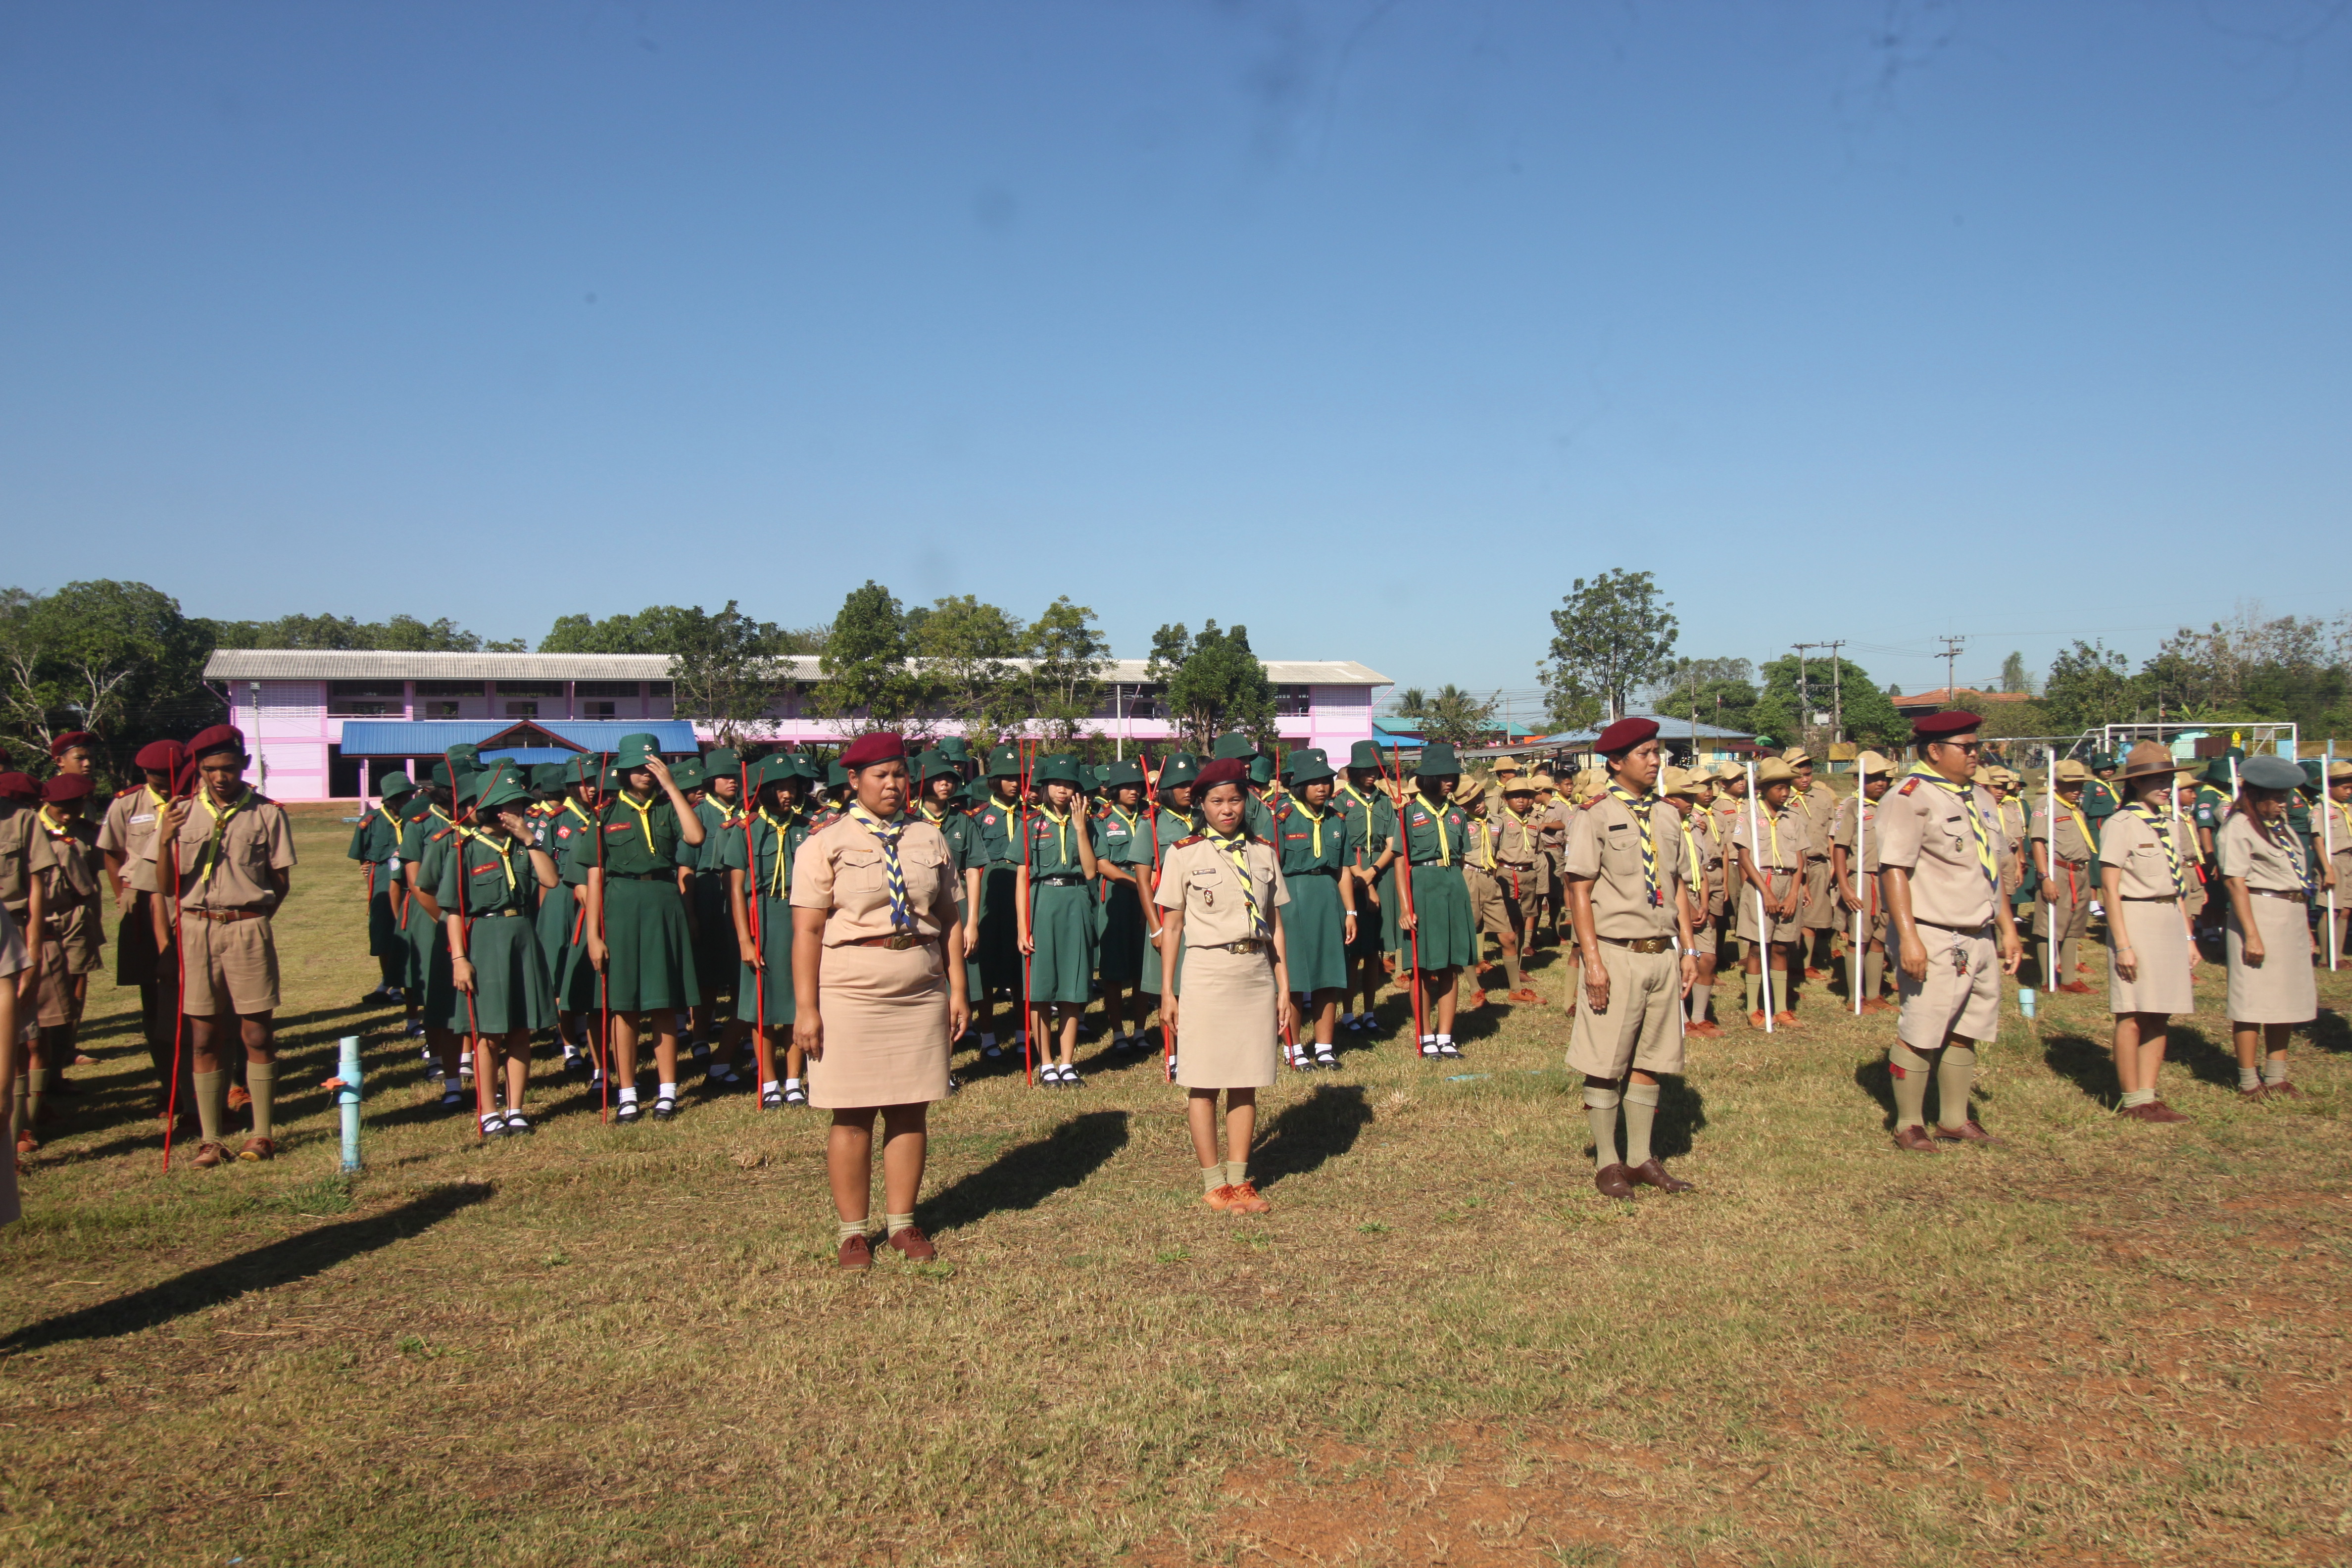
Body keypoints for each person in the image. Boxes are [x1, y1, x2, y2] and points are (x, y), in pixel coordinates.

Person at [790, 732, 970, 1269]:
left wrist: (958, 989)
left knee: (911, 1108)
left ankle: (902, 1223)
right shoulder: (825, 843)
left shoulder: (929, 838)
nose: (892, 785)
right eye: (880, 776)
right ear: (854, 780)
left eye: (899, 774)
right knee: (852, 1114)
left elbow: (950, 919)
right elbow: (807, 932)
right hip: (851, 989)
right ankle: (853, 1232)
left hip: (919, 985)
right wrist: (806, 1008)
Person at [1875, 711, 2023, 1152]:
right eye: (1967, 747)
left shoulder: (1980, 797)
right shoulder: (1910, 797)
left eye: (1978, 746)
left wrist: (2008, 928)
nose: (1976, 754)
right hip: (1934, 930)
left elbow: (1990, 869)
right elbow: (1894, 869)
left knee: (1968, 1025)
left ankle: (1954, 1119)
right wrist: (1910, 937)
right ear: (1935, 751)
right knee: (1923, 1026)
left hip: (1979, 930)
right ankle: (1909, 1123)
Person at [1155, 756, 1297, 1214]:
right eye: (1216, 801)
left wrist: (1283, 986)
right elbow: (1172, 926)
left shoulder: (1263, 852)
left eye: (1235, 800)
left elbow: (1275, 924)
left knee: (1247, 1078)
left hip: (1254, 973)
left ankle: (1240, 1179)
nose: (1227, 809)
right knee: (1203, 1079)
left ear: (1246, 802)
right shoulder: (1184, 854)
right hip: (1207, 972)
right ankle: (1213, 1182)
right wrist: (1168, 991)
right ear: (1202, 805)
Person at [151, 725, 297, 1166]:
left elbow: (280, 881)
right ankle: (211, 1138)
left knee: (257, 1032)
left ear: (244, 766)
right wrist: (165, 837)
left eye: (229, 768)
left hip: (247, 928)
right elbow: (165, 886)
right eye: (210, 769)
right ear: (199, 769)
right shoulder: (179, 813)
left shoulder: (267, 813)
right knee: (203, 1036)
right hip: (196, 929)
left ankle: (262, 1134)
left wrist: (251, 919)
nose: (220, 778)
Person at [1566, 718, 1698, 1199]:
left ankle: (1641, 1157)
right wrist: (1593, 961)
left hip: (1661, 953)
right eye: (1645, 754)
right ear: (1616, 762)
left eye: (1657, 752)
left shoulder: (1667, 815)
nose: (1655, 761)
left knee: (1651, 1058)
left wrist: (1688, 948)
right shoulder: (1595, 816)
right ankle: (1608, 1162)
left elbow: (1676, 885)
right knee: (1605, 1059)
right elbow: (1579, 889)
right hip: (1616, 953)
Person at [584, 735, 705, 1123]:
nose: (645, 774)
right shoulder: (605, 815)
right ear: (623, 772)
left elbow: (695, 837)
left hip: (663, 903)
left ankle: (668, 1091)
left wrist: (672, 786)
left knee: (664, 1002)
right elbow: (594, 876)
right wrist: (593, 935)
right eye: (637, 768)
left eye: (652, 767)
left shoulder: (669, 807)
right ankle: (628, 1093)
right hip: (621, 906)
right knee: (624, 1007)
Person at [443, 774, 560, 1136]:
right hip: (486, 938)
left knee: (521, 1029)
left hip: (522, 934)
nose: (518, 811)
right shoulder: (465, 848)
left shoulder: (525, 844)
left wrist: (530, 839)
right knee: (490, 1032)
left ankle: (516, 1108)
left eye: (520, 805)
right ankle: (489, 1110)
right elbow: (454, 910)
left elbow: (551, 880)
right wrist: (459, 959)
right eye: (512, 805)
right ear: (492, 809)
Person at [2100, 741, 2199, 1123]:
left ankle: (2149, 1094)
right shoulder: (2121, 824)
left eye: (2168, 780)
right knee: (2132, 1012)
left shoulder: (2171, 824)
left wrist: (2189, 937)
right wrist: (2123, 945)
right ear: (2136, 783)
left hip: (2168, 918)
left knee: (2161, 1011)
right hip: (2135, 919)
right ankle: (2132, 1100)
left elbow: (2178, 887)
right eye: (2156, 780)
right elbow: (2110, 889)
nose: (2164, 787)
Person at [2217, 754, 2318, 1100]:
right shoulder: (2239, 827)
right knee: (2252, 1001)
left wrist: (2306, 929)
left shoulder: (2280, 827)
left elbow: (2296, 877)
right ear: (2256, 796)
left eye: (2285, 796)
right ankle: (2249, 1081)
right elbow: (2235, 883)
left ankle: (2276, 1076)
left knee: (2285, 1000)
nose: (2283, 803)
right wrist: (2252, 935)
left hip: (2290, 914)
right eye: (2276, 797)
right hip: (2259, 914)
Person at [1369, 743, 1479, 1059]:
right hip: (1422, 888)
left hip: (1452, 886)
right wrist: (1406, 907)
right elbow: (1401, 861)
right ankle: (1425, 1034)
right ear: (1427, 778)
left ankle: (1446, 1036)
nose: (1450, 782)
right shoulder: (1408, 813)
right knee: (1422, 968)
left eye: (1453, 776)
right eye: (1443, 776)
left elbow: (1460, 858)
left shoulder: (1458, 814)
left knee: (1451, 966)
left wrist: (1455, 890)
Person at [96, 739, 185, 1117]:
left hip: (186, 898)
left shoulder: (194, 801)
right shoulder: (126, 804)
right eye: (155, 777)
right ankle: (170, 1085)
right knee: (155, 998)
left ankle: (223, 1082)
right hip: (142, 905)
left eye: (169, 777)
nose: (163, 784)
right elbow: (113, 853)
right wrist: (122, 896)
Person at [725, 753, 817, 1106]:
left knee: (797, 1000)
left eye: (792, 788)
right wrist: (745, 940)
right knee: (760, 1007)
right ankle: (768, 1081)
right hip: (761, 917)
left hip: (799, 917)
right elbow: (736, 889)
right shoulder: (746, 831)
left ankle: (793, 1079)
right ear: (764, 791)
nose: (788, 795)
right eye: (779, 789)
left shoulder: (808, 829)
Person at [23, 776, 104, 1135]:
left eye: (77, 807)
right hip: (31, 933)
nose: (70, 814)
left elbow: (87, 888)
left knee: (62, 1006)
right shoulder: (35, 835)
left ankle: (53, 1073)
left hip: (63, 926)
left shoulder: (71, 841)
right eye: (63, 808)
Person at [1016, 753, 1100, 1086]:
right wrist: (1022, 926)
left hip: (1075, 900)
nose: (1063, 791)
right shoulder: (1030, 824)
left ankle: (1067, 1062)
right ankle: (1046, 1062)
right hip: (1042, 901)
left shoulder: (1088, 823)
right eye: (1057, 784)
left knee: (1072, 986)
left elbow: (1091, 872)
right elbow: (1022, 877)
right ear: (1045, 787)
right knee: (1040, 988)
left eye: (1069, 785)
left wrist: (1080, 828)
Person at [1273, 749, 1356, 1071]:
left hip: (1327, 897)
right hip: (1291, 899)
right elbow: (1271, 870)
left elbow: (1343, 869)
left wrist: (1350, 912)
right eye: (1314, 782)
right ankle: (1293, 1047)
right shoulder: (1282, 817)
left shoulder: (1336, 819)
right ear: (1299, 784)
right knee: (1293, 979)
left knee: (1328, 975)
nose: (1322, 787)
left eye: (1326, 781)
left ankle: (1324, 1047)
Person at [1729, 758, 1807, 1028]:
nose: (1785, 793)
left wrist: (1794, 893)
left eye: (1787, 787)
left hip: (1788, 883)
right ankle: (1754, 1008)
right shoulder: (1749, 815)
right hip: (1761, 884)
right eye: (1779, 788)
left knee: (1783, 947)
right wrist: (1767, 893)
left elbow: (1800, 859)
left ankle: (1782, 1008)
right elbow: (1744, 858)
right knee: (1757, 947)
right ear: (1764, 789)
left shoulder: (1793, 817)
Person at [686, 749, 746, 1083]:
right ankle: (699, 1035)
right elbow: (686, 867)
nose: (732, 782)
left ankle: (743, 1030)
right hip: (708, 893)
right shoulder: (699, 813)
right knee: (707, 973)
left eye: (735, 777)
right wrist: (691, 913)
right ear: (710, 781)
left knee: (738, 969)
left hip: (739, 892)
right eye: (725, 777)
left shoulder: (747, 812)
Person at [1138, 752, 1201, 1058]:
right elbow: (1142, 880)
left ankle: (1197, 1048)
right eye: (1181, 785)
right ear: (1166, 790)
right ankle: (1174, 1053)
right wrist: (1155, 928)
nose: (1188, 790)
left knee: (1199, 984)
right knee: (1172, 984)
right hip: (1168, 915)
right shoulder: (1151, 824)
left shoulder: (1205, 819)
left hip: (1202, 912)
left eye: (1192, 784)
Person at [1090, 758, 1154, 1053]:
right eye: (1126, 786)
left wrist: (1149, 888)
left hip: (1149, 894)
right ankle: (1118, 1033)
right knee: (1114, 970)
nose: (1134, 791)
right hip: (1117, 895)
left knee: (1143, 965)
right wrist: (1141, 886)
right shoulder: (1102, 820)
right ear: (1114, 789)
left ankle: (1140, 1031)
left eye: (1137, 785)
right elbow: (1103, 865)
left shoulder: (1150, 817)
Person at [969, 744, 1028, 1059]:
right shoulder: (978, 818)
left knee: (1021, 967)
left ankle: (1022, 1033)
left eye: (1018, 777)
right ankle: (988, 1036)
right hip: (989, 899)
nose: (1014, 783)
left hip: (1021, 896)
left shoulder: (1029, 816)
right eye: (1007, 778)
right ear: (994, 781)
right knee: (986, 969)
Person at [1829, 752, 1897, 1013]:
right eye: (1873, 778)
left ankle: (1875, 994)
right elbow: (1840, 848)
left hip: (1886, 879)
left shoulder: (1890, 806)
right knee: (1860, 938)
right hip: (1862, 879)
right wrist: (1845, 887)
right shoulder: (1852, 807)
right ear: (1859, 780)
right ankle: (1854, 997)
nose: (1881, 783)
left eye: (1883, 778)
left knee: (1880, 936)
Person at [1660, 767, 1723, 1035]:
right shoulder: (1663, 829)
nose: (1691, 801)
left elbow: (1703, 867)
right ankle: (1682, 1017)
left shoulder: (1694, 827)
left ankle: (1700, 1016)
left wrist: (1705, 903)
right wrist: (1691, 906)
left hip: (1698, 898)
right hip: (1675, 899)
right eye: (1685, 797)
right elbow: (1671, 876)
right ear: (1669, 799)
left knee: (1707, 958)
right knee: (1679, 958)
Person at [347, 770, 416, 1008]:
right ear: (389, 799)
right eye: (401, 797)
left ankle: (408, 982)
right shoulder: (371, 821)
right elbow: (361, 854)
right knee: (383, 934)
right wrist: (366, 868)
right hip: (383, 885)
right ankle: (391, 983)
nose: (406, 800)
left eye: (409, 795)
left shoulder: (415, 819)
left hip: (410, 882)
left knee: (410, 930)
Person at [1333, 742, 1390, 1031]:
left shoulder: (1385, 800)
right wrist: (1365, 882)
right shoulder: (1341, 801)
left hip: (1379, 872)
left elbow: (1392, 843)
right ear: (1354, 770)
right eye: (1367, 769)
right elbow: (1341, 847)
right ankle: (1347, 1013)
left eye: (1376, 769)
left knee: (1374, 952)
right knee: (1353, 951)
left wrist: (1374, 872)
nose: (1372, 774)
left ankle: (1369, 1012)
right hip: (1351, 876)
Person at [2030, 759, 2098, 994]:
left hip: (2079, 871)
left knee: (2074, 926)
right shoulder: (2047, 805)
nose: (2077, 790)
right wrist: (2045, 877)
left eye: (2080, 785)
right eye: (2071, 785)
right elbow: (2038, 841)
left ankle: (2068, 978)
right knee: (2049, 926)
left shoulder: (2074, 807)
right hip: (2058, 871)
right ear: (2057, 784)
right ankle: (2048, 979)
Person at [1488, 774, 1551, 1005]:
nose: (1522, 800)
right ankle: (1510, 971)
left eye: (1525, 796)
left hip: (1528, 874)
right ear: (1506, 799)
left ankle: (1520, 966)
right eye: (1516, 796)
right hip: (1507, 874)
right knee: (1511, 924)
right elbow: (1492, 849)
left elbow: (1537, 849)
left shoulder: (1534, 822)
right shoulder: (1500, 821)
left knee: (1525, 920)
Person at [1785, 750, 1839, 984]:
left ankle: (1806, 965)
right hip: (1793, 867)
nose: (1805, 779)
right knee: (1793, 917)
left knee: (1814, 916)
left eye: (1808, 774)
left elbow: (1831, 834)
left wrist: (1833, 864)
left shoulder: (1823, 797)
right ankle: (1791, 963)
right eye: (1800, 775)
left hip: (1819, 863)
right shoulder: (1782, 799)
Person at [2318, 759, 2352, 968]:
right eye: (2345, 788)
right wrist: (2327, 869)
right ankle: (2325, 958)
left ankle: (2338, 956)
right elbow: (2318, 841)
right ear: (2329, 786)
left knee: (2346, 909)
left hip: (2349, 860)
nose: (2349, 792)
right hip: (2333, 860)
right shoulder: (2321, 809)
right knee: (2331, 909)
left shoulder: (2347, 809)